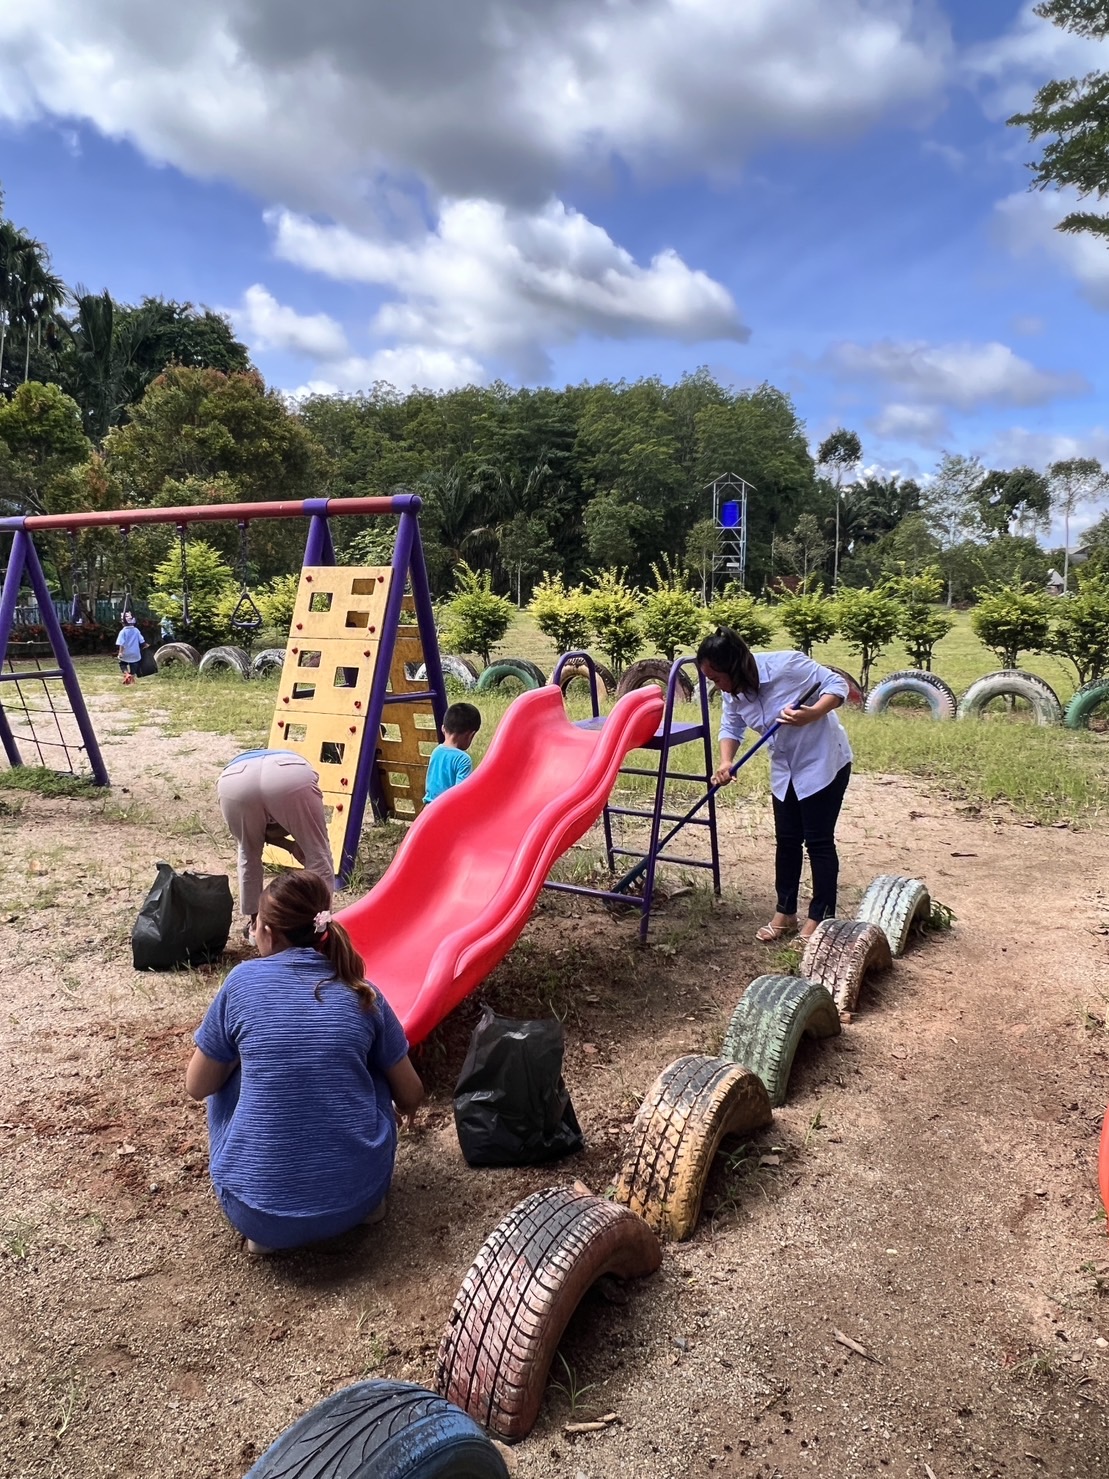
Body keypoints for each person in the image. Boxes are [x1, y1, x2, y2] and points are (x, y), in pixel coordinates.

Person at [185, 869, 424, 1255]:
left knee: (229, 1066)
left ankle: (270, 1215)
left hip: (256, 1215)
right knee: (372, 1065)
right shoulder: (364, 993)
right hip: (360, 1199)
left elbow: (197, 1087)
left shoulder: (242, 982)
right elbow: (411, 1093)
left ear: (267, 932)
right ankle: (357, 1194)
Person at [697, 625, 852, 943]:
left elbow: (837, 684)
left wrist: (813, 713)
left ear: (734, 668)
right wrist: (726, 761)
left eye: (716, 678)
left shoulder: (788, 665)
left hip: (823, 761)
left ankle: (820, 919)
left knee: (818, 841)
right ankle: (786, 913)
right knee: (788, 840)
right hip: (785, 768)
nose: (716, 686)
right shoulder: (734, 691)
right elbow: (732, 724)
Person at [217, 748, 335, 943]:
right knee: (318, 853)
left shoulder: (265, 821)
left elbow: (259, 838)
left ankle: (255, 927)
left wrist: (290, 847)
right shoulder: (283, 810)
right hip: (291, 773)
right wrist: (297, 846)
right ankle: (320, 926)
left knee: (248, 852)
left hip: (234, 778)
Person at [423, 701, 481, 804]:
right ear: (470, 735)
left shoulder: (436, 751)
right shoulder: (463, 759)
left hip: (429, 808)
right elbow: (461, 793)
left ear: (443, 729)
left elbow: (431, 785)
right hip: (446, 810)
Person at [115, 612, 147, 685]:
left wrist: (120, 652)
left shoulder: (123, 632)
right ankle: (131, 677)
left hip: (125, 653)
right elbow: (142, 641)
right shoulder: (136, 630)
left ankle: (126, 674)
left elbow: (121, 643)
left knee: (122, 663)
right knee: (134, 665)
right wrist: (145, 645)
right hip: (135, 653)